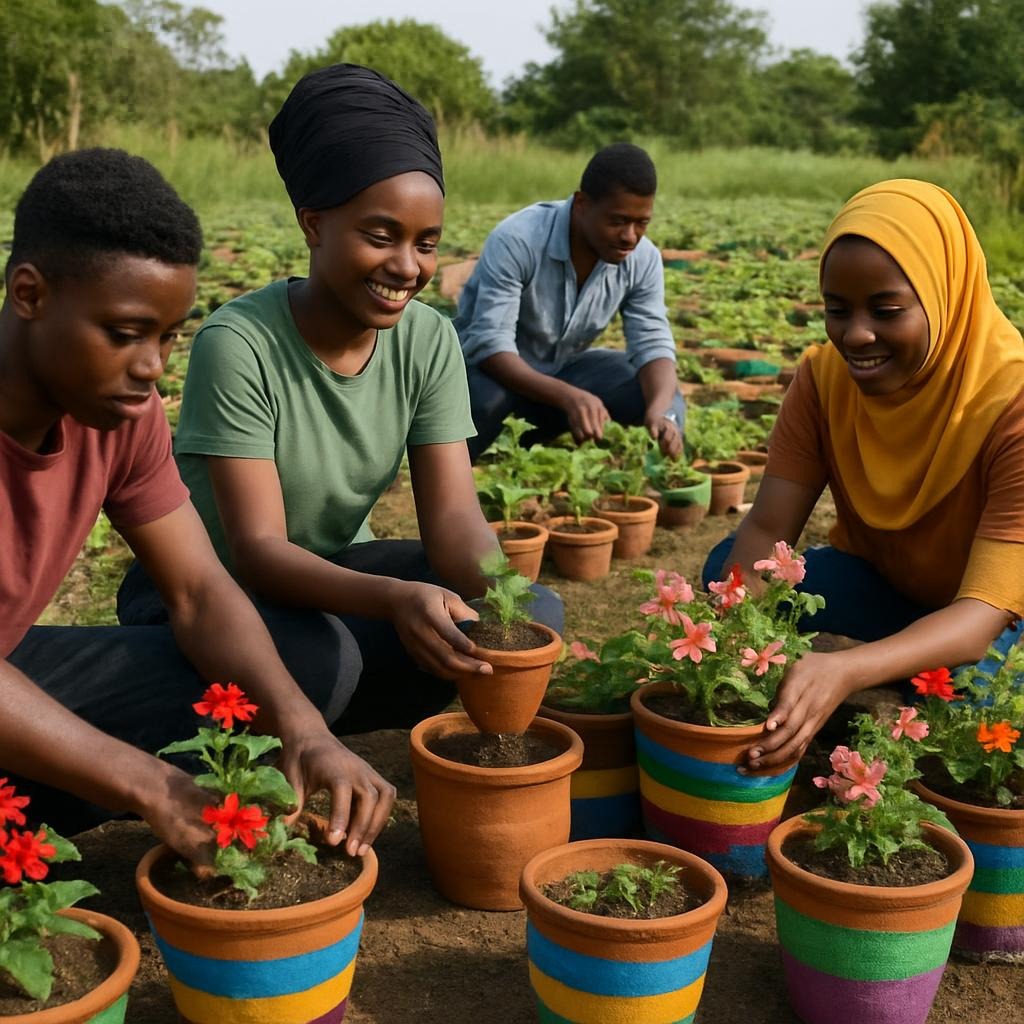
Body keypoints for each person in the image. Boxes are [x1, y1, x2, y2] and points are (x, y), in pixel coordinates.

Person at [117, 64, 563, 733]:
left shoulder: (430, 340)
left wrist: (501, 595)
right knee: (322, 660)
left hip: (330, 571)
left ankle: (324, 711)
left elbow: (452, 525)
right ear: (315, 223)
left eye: (425, 244)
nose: (407, 266)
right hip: (210, 589)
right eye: (380, 236)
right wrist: (395, 599)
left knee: (518, 611)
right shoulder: (240, 342)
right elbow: (258, 551)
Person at [0, 148, 394, 862]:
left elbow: (198, 590)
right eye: (123, 334)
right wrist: (148, 783)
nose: (151, 367)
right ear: (30, 295)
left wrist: (305, 732)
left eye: (166, 335)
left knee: (298, 665)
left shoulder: (124, 411)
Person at [703, 178, 1024, 773]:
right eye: (837, 309)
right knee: (733, 577)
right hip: (887, 585)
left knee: (983, 709)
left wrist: (847, 668)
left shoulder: (1010, 401)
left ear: (945, 296)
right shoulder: (825, 381)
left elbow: (981, 614)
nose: (856, 334)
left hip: (993, 618)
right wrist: (723, 650)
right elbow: (767, 525)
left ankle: (896, 673)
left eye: (886, 310)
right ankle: (897, 662)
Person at [455, 142, 685, 462]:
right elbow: (490, 347)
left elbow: (653, 343)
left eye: (641, 223)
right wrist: (568, 397)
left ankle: (647, 468)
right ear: (581, 204)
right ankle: (456, 468)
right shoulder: (518, 239)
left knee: (658, 391)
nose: (630, 236)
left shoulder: (643, 259)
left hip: (562, 371)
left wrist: (662, 411)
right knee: (483, 401)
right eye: (617, 221)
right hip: (491, 375)